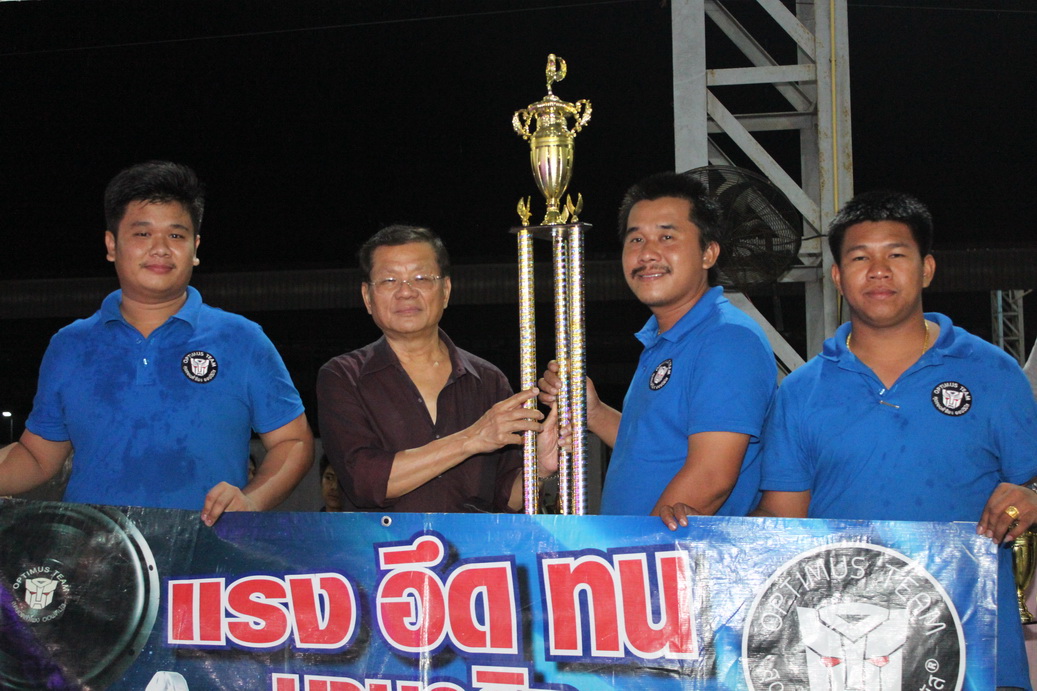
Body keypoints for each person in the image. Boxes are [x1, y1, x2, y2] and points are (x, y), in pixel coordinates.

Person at [752, 190, 1037, 691]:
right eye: (860, 258)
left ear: (926, 269)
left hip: (976, 651)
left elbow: (1029, 487)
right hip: (844, 656)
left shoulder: (995, 372)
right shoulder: (800, 392)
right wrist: (697, 536)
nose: (879, 271)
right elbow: (782, 522)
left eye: (896, 255)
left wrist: (1032, 496)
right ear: (837, 277)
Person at [0, 161, 313, 526]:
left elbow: (293, 442)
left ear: (195, 248)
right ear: (111, 244)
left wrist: (252, 500)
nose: (161, 248)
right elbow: (37, 457)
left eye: (177, 236)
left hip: (206, 552)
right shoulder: (69, 345)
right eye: (143, 233)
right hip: (94, 551)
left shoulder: (242, 338)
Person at [539, 171, 776, 519]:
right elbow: (653, 448)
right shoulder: (665, 340)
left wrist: (640, 548)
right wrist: (595, 413)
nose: (647, 253)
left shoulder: (727, 339)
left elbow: (711, 478)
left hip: (674, 552)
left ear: (708, 253)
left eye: (667, 237)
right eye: (636, 239)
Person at [317, 225, 556, 513]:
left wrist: (539, 468)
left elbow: (505, 502)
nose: (406, 292)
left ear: (446, 291)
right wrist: (471, 438)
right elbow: (365, 481)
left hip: (471, 543)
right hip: (380, 542)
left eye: (421, 278)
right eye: (389, 280)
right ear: (368, 297)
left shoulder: (488, 380)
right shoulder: (343, 377)